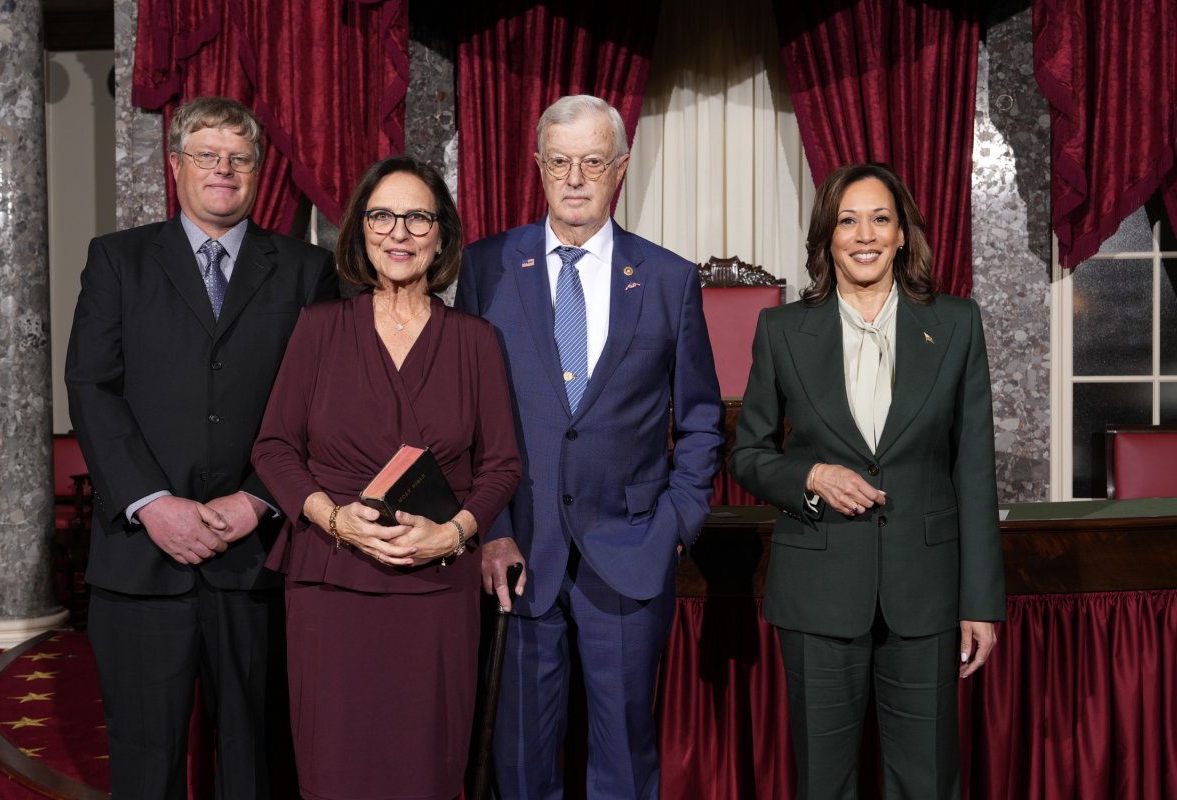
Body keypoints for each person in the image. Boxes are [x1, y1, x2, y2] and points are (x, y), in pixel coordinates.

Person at [65, 95, 338, 798]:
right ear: (176, 165)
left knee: (257, 766)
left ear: (258, 171)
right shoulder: (118, 261)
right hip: (141, 560)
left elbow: (321, 406)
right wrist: (153, 504)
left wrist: (257, 499)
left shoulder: (307, 272)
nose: (225, 169)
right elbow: (92, 389)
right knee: (145, 762)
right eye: (208, 155)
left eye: (240, 158)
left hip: (257, 561)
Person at [455, 94, 723, 799]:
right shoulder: (485, 267)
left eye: (593, 163)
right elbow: (466, 417)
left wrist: (676, 523)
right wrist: (491, 531)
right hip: (517, 557)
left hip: (630, 555)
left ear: (621, 169)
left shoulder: (668, 279)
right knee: (521, 761)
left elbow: (699, 419)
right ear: (539, 167)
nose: (575, 179)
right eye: (560, 163)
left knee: (625, 761)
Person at [729, 162, 1006, 798]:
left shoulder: (958, 324)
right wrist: (812, 474)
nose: (865, 234)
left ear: (903, 234)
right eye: (848, 220)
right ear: (827, 235)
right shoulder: (782, 330)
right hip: (819, 592)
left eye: (881, 219)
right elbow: (748, 455)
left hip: (927, 593)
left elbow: (974, 469)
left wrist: (981, 602)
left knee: (928, 782)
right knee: (824, 784)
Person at [250, 155, 522, 800]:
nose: (398, 232)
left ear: (442, 234)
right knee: (336, 764)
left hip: (437, 589)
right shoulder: (319, 329)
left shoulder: (476, 341)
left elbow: (503, 463)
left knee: (426, 765)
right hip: (331, 581)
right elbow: (275, 447)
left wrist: (454, 534)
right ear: (359, 231)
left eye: (418, 217)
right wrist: (333, 518)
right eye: (381, 216)